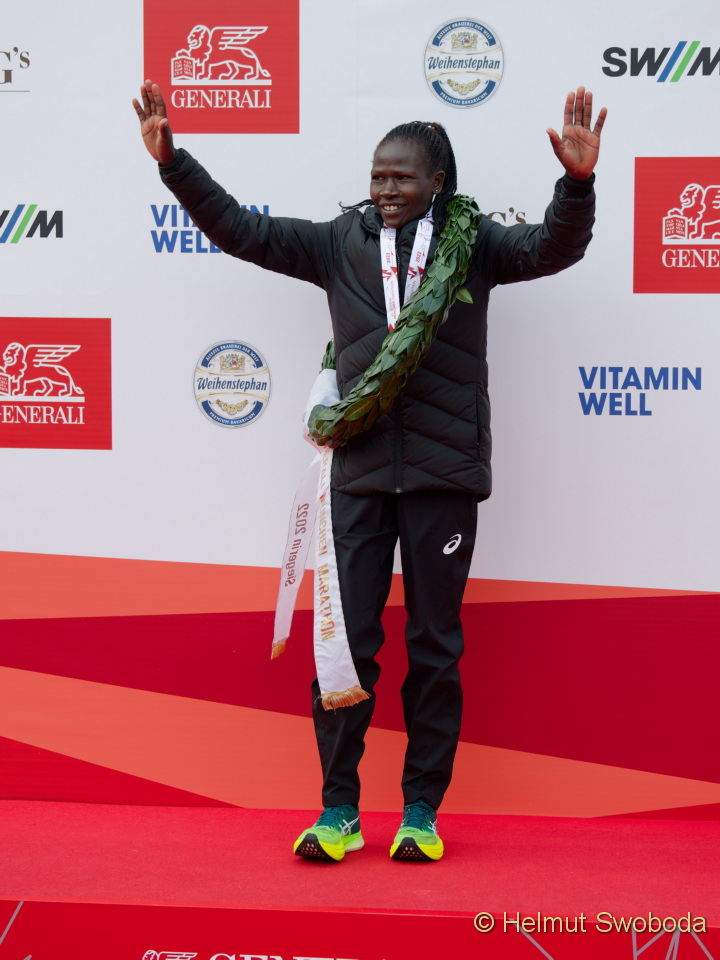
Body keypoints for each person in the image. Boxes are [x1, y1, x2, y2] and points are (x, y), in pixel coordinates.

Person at [132, 79, 606, 864]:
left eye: (401, 178)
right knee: (345, 648)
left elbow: (552, 248)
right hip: (357, 474)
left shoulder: (476, 244)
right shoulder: (338, 243)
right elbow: (242, 230)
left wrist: (576, 185)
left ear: (437, 182)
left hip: (443, 477)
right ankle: (339, 810)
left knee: (434, 646)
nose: (385, 190)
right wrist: (172, 163)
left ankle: (420, 811)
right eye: (378, 176)